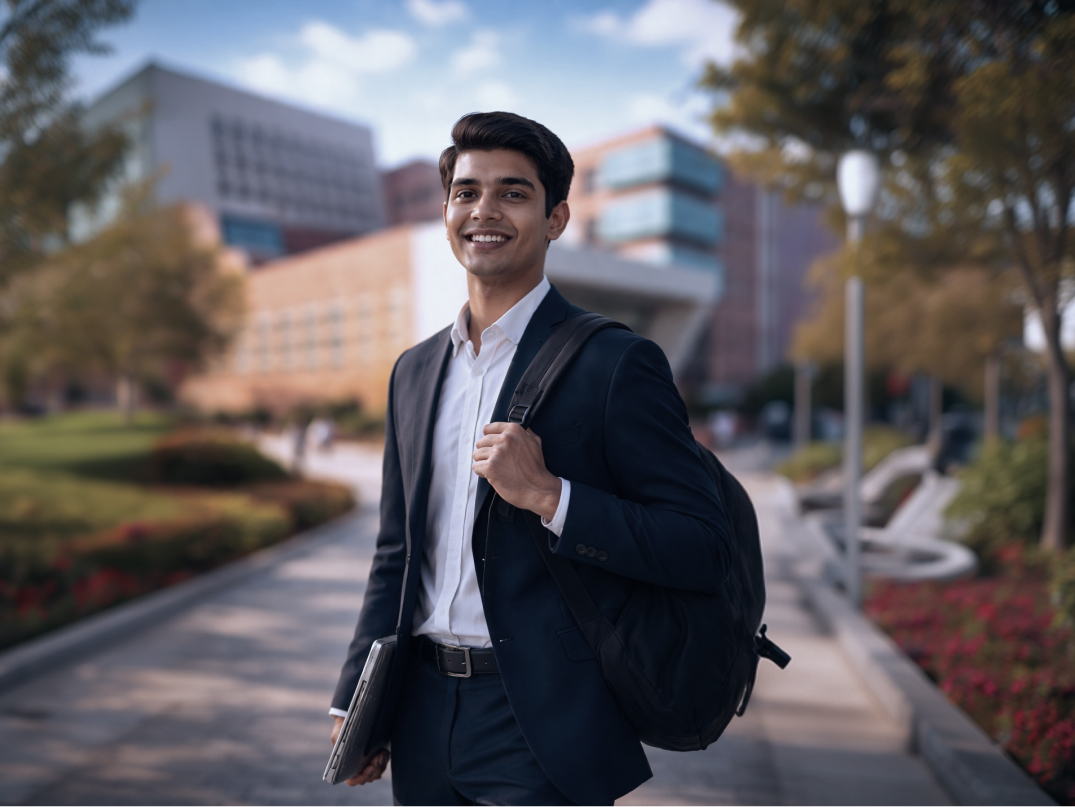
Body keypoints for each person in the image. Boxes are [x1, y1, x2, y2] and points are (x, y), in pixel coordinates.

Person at [329, 111, 733, 805]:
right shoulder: (413, 371)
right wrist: (355, 699)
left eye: (512, 193)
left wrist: (552, 496)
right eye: (466, 192)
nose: (483, 210)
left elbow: (702, 546)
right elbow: (395, 552)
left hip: (541, 718)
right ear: (447, 213)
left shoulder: (616, 362)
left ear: (556, 219)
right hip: (419, 710)